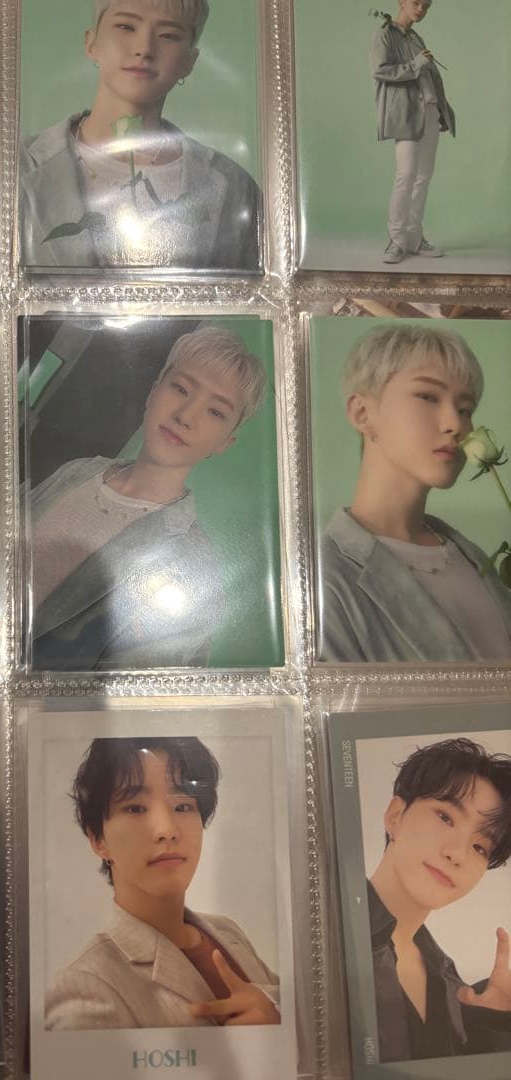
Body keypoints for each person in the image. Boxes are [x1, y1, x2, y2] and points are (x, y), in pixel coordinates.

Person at [28, 325, 267, 669]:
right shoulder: (78, 470)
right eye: (180, 388)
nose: (185, 416)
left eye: (215, 412)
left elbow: (142, 695)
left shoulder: (194, 569)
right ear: (153, 391)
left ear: (224, 442)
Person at [45, 736, 280, 1029]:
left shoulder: (226, 931)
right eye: (135, 808)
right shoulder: (85, 987)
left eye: (183, 806)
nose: (167, 830)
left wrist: (275, 1011)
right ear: (98, 840)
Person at [20, 0, 261, 270]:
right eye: (126, 27)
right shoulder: (15, 167)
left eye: (168, 35)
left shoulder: (234, 187)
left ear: (189, 61)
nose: (144, 48)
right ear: (91, 43)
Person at [319, 324, 511, 662]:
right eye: (428, 397)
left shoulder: (473, 559)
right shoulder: (323, 578)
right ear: (362, 413)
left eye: (465, 409)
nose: (455, 424)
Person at [367, 738, 511, 1062]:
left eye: (480, 847)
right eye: (446, 817)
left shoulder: (451, 985)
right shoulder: (325, 934)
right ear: (395, 815)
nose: (457, 854)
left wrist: (493, 1026)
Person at [370, 0, 455, 265]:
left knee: (423, 177)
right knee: (406, 175)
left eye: (426, 6)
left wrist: (442, 110)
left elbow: (430, 80)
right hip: (407, 114)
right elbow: (380, 70)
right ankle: (396, 240)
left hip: (430, 113)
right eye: (416, 2)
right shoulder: (385, 34)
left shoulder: (416, 37)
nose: (420, 9)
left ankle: (414, 238)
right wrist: (417, 63)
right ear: (401, 2)